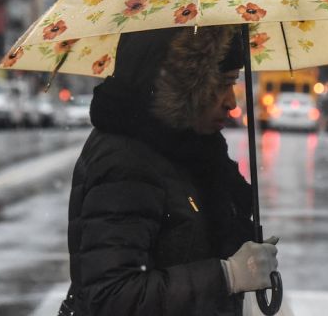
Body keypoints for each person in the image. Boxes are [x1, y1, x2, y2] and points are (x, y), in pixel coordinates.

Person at [60, 25, 279, 316]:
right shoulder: (126, 161)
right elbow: (112, 297)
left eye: (234, 83)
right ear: (180, 85)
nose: (231, 102)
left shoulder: (193, 151)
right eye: (220, 84)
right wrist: (227, 276)